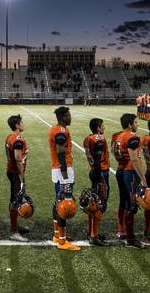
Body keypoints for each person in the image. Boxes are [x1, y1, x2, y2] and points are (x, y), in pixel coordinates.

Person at [112, 113, 147, 248]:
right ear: (129, 124)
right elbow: (133, 159)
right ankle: (131, 238)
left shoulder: (119, 136)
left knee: (124, 202)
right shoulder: (131, 137)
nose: (137, 124)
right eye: (136, 122)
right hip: (130, 172)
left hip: (121, 170)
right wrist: (143, 178)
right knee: (132, 206)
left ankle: (121, 230)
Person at [48, 106, 80, 251]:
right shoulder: (60, 131)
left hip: (60, 169)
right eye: (68, 115)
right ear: (63, 117)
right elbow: (60, 151)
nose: (70, 117)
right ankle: (62, 241)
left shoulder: (58, 129)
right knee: (64, 204)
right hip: (63, 170)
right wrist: (64, 171)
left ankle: (57, 235)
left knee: (58, 201)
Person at [83, 118, 110, 246]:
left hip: (94, 171)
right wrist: (100, 178)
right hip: (100, 172)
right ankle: (94, 235)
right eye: (103, 126)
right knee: (100, 203)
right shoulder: (99, 139)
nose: (104, 127)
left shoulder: (88, 138)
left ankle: (92, 232)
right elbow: (98, 160)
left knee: (93, 202)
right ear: (98, 128)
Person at [5, 115, 29, 241]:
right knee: (16, 200)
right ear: (17, 125)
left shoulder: (10, 136)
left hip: (11, 171)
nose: (23, 124)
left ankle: (15, 225)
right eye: (22, 122)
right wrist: (22, 177)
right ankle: (14, 232)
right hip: (16, 173)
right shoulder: (17, 138)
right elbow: (18, 159)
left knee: (14, 199)